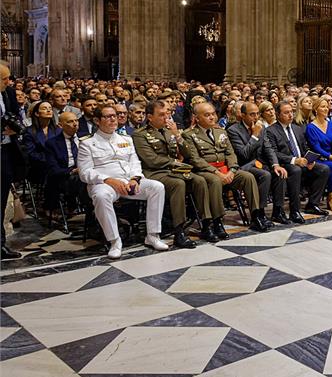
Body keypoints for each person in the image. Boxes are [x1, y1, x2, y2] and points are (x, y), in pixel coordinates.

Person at [77, 106, 169, 259]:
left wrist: (135, 178)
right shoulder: (88, 143)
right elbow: (85, 172)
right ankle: (115, 241)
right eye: (108, 117)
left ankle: (153, 235)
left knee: (157, 187)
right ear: (97, 121)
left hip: (128, 181)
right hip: (104, 184)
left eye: (114, 115)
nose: (113, 119)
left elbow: (135, 162)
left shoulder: (126, 139)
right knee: (101, 196)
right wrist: (108, 180)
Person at [133, 100, 226, 248]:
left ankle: (207, 224)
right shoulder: (140, 135)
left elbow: (187, 153)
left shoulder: (170, 131)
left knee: (200, 180)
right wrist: (174, 163)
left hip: (174, 171)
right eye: (161, 115)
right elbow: (151, 160)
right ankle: (179, 231)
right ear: (149, 117)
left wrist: (177, 135)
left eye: (168, 114)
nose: (166, 118)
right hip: (154, 173)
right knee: (178, 184)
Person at [182, 102, 267, 232]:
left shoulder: (220, 131)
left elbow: (230, 153)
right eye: (207, 115)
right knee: (215, 181)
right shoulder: (189, 134)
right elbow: (195, 159)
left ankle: (256, 217)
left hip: (226, 170)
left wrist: (232, 170)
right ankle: (217, 221)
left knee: (248, 177)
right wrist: (218, 173)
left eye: (213, 114)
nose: (212, 117)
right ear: (197, 118)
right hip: (205, 171)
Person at [265, 101, 330, 221]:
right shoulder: (271, 130)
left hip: (302, 162)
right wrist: (294, 160)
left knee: (323, 169)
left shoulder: (297, 128)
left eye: (291, 112)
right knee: (296, 170)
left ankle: (313, 204)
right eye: (286, 113)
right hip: (285, 164)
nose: (290, 115)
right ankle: (294, 210)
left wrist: (310, 160)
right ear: (278, 115)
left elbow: (304, 148)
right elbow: (273, 153)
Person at [227, 102, 286, 225]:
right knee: (265, 175)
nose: (256, 117)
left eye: (257, 114)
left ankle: (278, 211)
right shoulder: (233, 130)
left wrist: (276, 165)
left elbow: (268, 148)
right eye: (252, 114)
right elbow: (244, 154)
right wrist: (254, 135)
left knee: (279, 173)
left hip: (260, 163)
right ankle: (259, 213)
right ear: (243, 115)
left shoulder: (261, 128)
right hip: (245, 166)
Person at [1, 62, 23, 259]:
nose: (8, 82)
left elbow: (16, 114)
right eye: (4, 79)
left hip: (5, 150)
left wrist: (14, 128)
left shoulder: (7, 93)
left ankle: (1, 245)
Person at [21, 100, 62, 179]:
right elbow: (31, 153)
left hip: (59, 164)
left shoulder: (58, 130)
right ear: (36, 113)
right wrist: (50, 160)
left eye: (50, 108)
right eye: (44, 108)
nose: (48, 110)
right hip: (40, 166)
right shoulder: (29, 131)